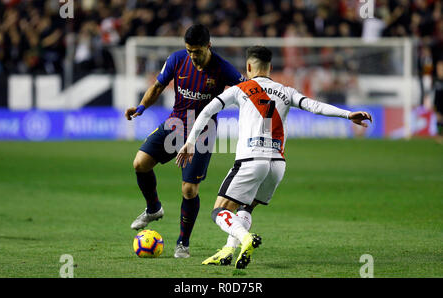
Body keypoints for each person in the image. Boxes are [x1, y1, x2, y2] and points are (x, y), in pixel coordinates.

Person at [176, 45, 372, 269]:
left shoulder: (241, 89)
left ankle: (244, 238)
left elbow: (207, 111)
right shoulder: (286, 91)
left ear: (249, 67)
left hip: (251, 160)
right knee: (245, 208)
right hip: (277, 165)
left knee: (219, 211)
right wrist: (348, 114)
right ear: (270, 67)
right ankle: (228, 250)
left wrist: (190, 142)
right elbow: (315, 106)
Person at [125, 24, 245, 258]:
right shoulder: (177, 60)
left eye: (197, 51)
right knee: (140, 163)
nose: (192, 56)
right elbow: (158, 86)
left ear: (208, 46)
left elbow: (247, 91)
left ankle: (183, 243)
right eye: (189, 51)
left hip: (203, 132)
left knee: (189, 189)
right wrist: (141, 107)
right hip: (175, 124)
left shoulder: (223, 68)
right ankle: (153, 208)